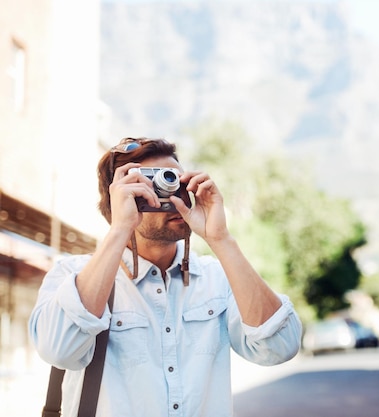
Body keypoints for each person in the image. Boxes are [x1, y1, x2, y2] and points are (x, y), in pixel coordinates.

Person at [29, 137, 302, 416]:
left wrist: (220, 239)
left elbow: (280, 346)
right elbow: (60, 350)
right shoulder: (72, 275)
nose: (170, 195)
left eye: (174, 181)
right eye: (150, 184)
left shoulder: (216, 278)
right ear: (118, 200)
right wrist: (120, 227)